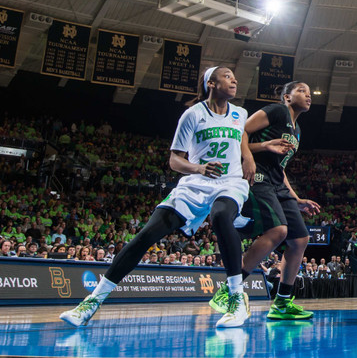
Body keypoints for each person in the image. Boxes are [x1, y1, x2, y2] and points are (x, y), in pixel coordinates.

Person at [60, 67, 255, 328]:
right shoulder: (193, 114)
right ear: (211, 82)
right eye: (227, 76)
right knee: (146, 235)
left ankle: (236, 299)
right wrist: (199, 168)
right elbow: (175, 160)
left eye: (234, 76)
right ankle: (91, 303)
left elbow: (242, 135)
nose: (234, 79)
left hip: (229, 182)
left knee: (220, 215)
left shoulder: (240, 113)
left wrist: (248, 156)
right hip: (195, 184)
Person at [209, 81, 320, 320]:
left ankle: (282, 303)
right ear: (287, 97)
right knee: (279, 231)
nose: (308, 95)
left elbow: (281, 168)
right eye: (302, 90)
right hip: (257, 176)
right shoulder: (276, 111)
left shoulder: (297, 130)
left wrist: (296, 198)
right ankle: (228, 290)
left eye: (310, 92)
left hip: (277, 182)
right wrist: (250, 156)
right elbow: (239, 133)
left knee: (299, 239)